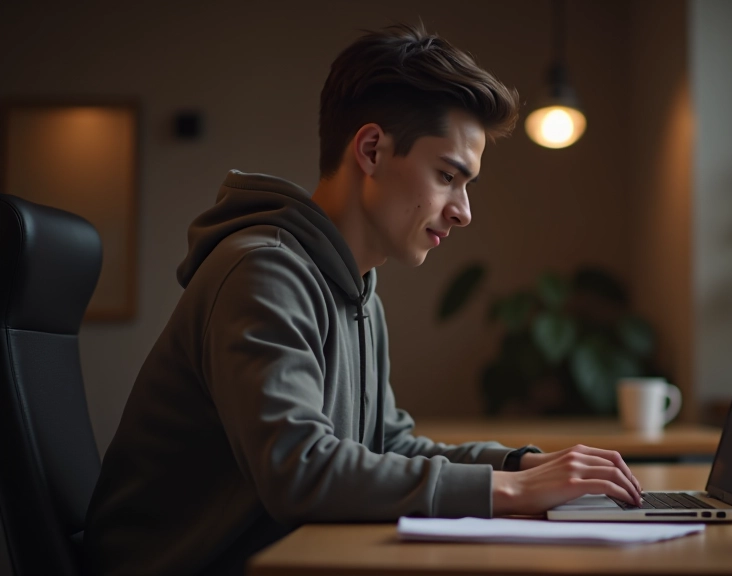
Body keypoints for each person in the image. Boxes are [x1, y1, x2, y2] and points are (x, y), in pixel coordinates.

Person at [85, 23, 642, 575]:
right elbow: (298, 469)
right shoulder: (263, 271)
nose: (463, 210)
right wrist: (513, 489)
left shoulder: (355, 290)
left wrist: (520, 464)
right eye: (448, 175)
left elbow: (388, 444)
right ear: (372, 150)